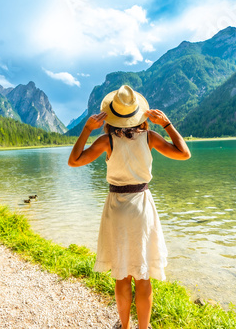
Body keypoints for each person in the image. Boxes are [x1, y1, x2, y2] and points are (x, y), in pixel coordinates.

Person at [68, 85, 191, 329]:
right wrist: (166, 124)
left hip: (116, 208)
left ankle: (125, 327)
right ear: (137, 113)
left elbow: (74, 161)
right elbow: (184, 153)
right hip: (142, 208)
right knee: (143, 277)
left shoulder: (106, 142)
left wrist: (86, 129)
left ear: (112, 115)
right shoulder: (150, 138)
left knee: (122, 275)